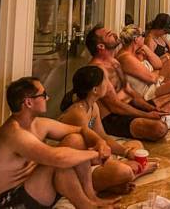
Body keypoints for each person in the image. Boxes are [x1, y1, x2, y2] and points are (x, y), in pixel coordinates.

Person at [0, 76, 113, 209]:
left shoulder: (38, 124)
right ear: (28, 102)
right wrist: (94, 154)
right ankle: (87, 206)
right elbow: (57, 158)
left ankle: (91, 198)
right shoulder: (14, 134)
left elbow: (81, 130)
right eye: (43, 95)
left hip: (35, 189)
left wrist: (100, 142)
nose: (48, 98)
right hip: (12, 202)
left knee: (75, 139)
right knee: (59, 164)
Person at [59, 66, 157, 196]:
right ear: (95, 90)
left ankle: (114, 183)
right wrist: (114, 161)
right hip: (81, 168)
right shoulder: (77, 113)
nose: (108, 84)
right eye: (105, 80)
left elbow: (103, 136)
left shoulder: (93, 106)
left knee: (136, 145)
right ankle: (133, 174)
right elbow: (84, 152)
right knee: (124, 171)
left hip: (95, 156)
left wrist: (127, 153)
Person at [85, 25, 169, 142]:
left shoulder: (115, 62)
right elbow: (114, 106)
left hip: (128, 106)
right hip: (112, 118)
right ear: (101, 46)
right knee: (159, 129)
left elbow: (129, 91)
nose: (115, 34)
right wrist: (146, 115)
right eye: (109, 35)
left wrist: (150, 108)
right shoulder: (98, 71)